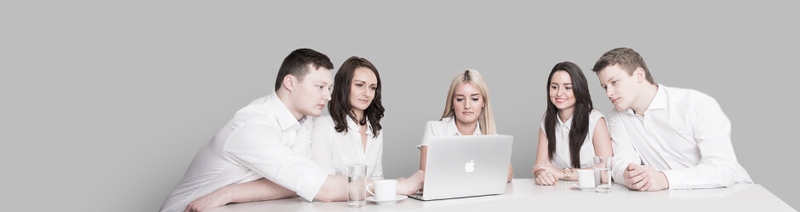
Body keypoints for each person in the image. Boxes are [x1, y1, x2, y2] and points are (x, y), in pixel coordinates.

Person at [159, 48, 424, 212]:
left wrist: (229, 192)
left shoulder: (302, 125)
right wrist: (400, 186)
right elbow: (322, 187)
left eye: (329, 89)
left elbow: (297, 185)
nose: (328, 97)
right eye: (320, 87)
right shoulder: (253, 127)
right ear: (290, 83)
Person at [590, 47, 752, 191]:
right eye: (605, 87)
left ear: (639, 75)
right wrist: (629, 174)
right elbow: (621, 162)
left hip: (733, 193)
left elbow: (723, 169)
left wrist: (664, 179)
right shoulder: (617, 116)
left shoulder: (696, 105)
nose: (608, 93)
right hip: (673, 198)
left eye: (614, 82)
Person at [418, 69, 514, 182]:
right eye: (460, 99)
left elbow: (508, 173)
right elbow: (425, 176)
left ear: (483, 102)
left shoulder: (491, 136)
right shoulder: (435, 130)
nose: (467, 105)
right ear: (452, 103)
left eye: (474, 99)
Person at [531, 61, 613, 186]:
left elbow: (606, 171)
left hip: (592, 194)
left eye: (567, 87)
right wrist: (542, 175)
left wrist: (562, 173)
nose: (559, 93)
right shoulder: (547, 120)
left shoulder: (595, 120)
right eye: (554, 87)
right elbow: (540, 166)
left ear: (579, 89)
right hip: (556, 192)